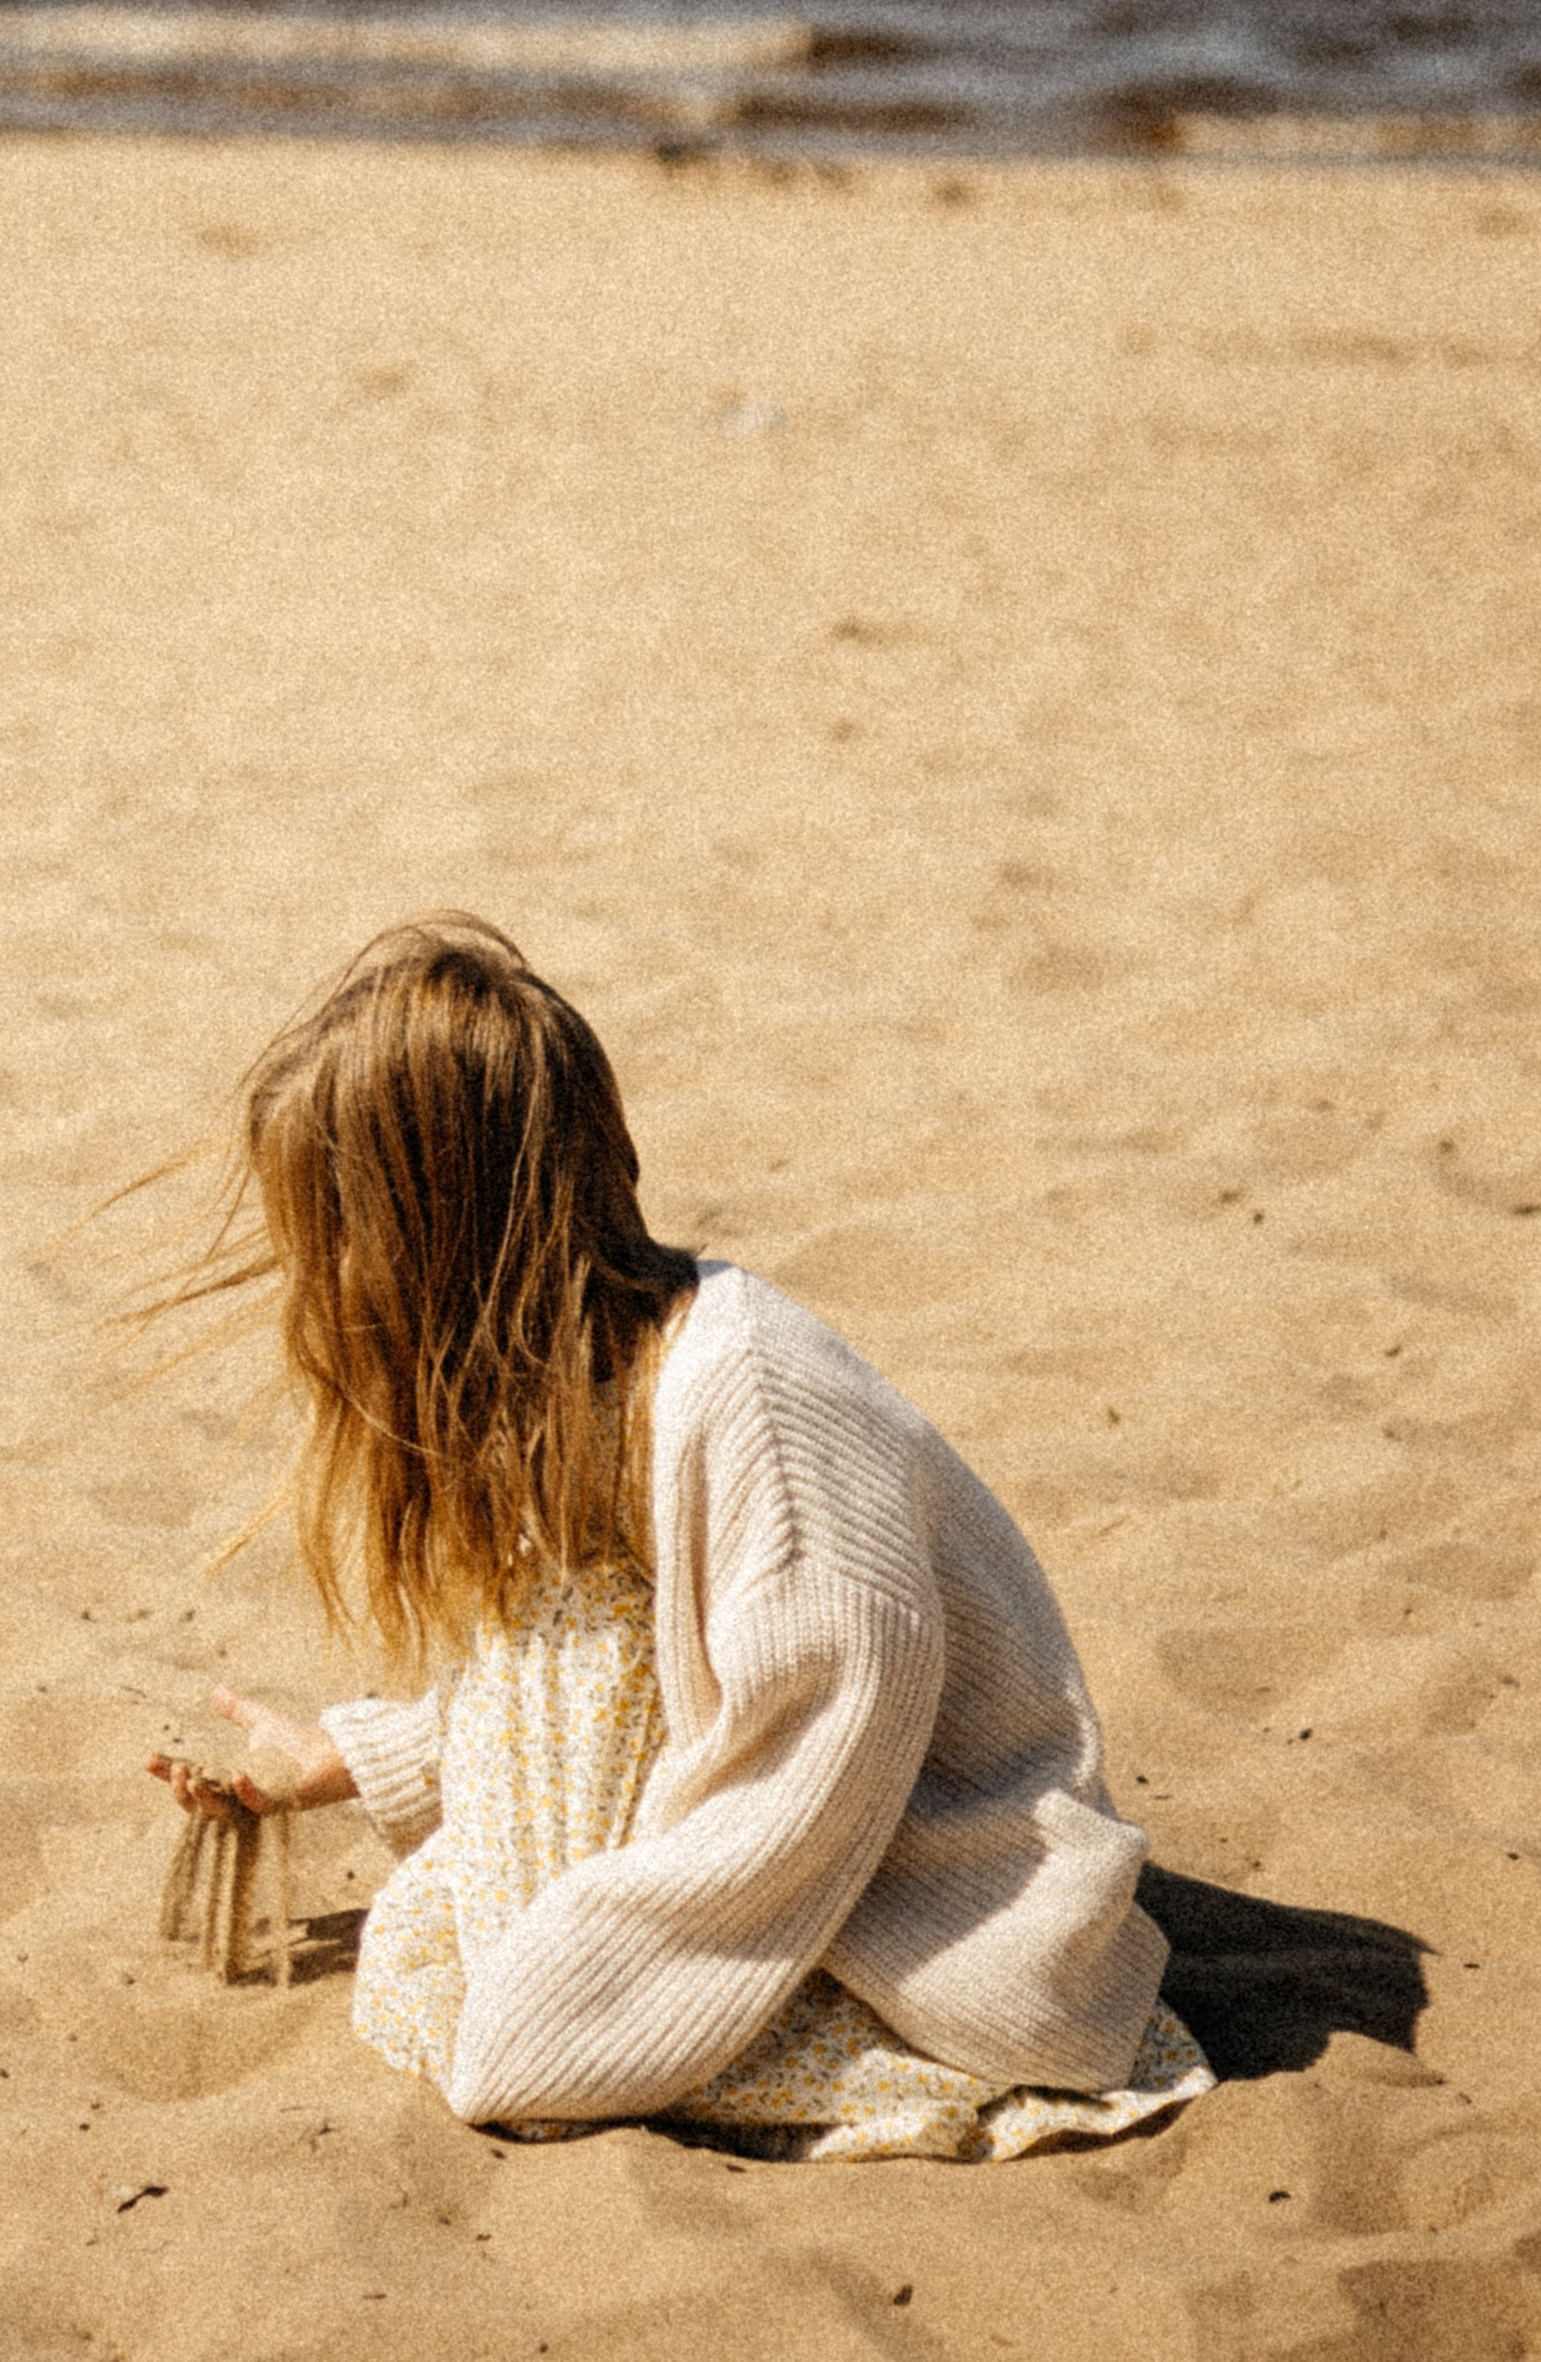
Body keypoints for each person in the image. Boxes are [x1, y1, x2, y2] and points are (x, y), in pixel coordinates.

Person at [143, 920, 1209, 2160]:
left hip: (941, 1911)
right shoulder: (598, 1373)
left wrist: (572, 2007)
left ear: (443, 1231)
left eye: (335, 1230)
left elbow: (805, 1759)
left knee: (507, 2006)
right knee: (559, 1624)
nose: (314, 1278)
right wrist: (356, 1759)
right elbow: (620, 1663)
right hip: (810, 1845)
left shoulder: (747, 1394)